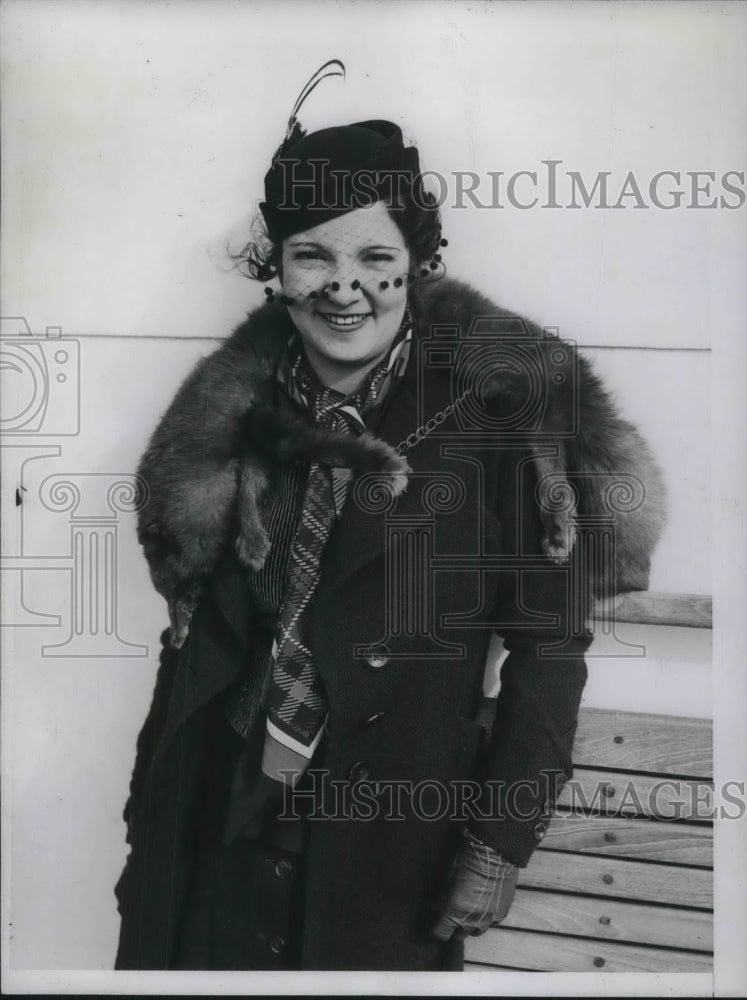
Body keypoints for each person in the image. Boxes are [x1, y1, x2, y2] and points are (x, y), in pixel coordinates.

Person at [114, 61, 666, 972]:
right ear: (276, 271)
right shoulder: (224, 426)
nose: (345, 288)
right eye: (313, 256)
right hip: (215, 832)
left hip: (390, 852)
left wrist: (495, 845)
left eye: (375, 258)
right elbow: (188, 650)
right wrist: (149, 830)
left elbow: (548, 650)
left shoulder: (502, 424)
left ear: (416, 265)